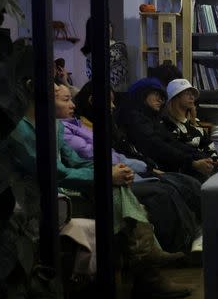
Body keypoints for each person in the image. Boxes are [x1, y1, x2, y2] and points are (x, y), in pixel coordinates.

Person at [6, 83, 190, 299]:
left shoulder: (55, 125)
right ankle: (148, 267)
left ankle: (147, 264)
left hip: (66, 187)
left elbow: (74, 161)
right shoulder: (18, 130)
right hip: (41, 196)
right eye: (63, 98)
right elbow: (54, 173)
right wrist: (105, 177)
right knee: (115, 191)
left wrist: (110, 171)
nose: (72, 104)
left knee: (117, 188)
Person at [61, 82, 203, 254]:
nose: (73, 104)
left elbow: (116, 152)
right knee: (166, 191)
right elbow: (88, 155)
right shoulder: (65, 128)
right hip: (110, 175)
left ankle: (198, 233)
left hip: (127, 167)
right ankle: (182, 244)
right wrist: (189, 161)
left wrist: (146, 166)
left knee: (185, 182)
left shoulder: (89, 124)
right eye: (66, 99)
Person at [117, 77, 218, 181]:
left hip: (162, 167)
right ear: (142, 93)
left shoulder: (151, 119)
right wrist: (192, 163)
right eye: (156, 94)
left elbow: (171, 141)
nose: (160, 100)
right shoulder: (134, 118)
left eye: (162, 97)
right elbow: (156, 145)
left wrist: (203, 157)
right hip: (148, 170)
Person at [164, 78, 218, 165]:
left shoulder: (194, 122)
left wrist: (214, 159)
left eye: (192, 94)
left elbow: (208, 143)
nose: (192, 97)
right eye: (187, 93)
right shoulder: (168, 124)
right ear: (175, 97)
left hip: (206, 164)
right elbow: (179, 151)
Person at [81, 18, 128, 90]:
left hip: (117, 93)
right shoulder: (91, 53)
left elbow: (105, 62)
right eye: (105, 26)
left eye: (110, 25)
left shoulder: (119, 46)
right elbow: (91, 77)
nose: (109, 28)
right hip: (98, 92)